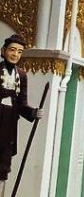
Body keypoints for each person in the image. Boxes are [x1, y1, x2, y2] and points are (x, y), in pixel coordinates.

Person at [0, 34, 41, 186]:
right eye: (12, 50)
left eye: (19, 51)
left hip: (9, 125)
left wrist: (33, 113)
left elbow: (21, 104)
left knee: (3, 167)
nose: (15, 54)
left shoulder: (22, 76)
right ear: (3, 50)